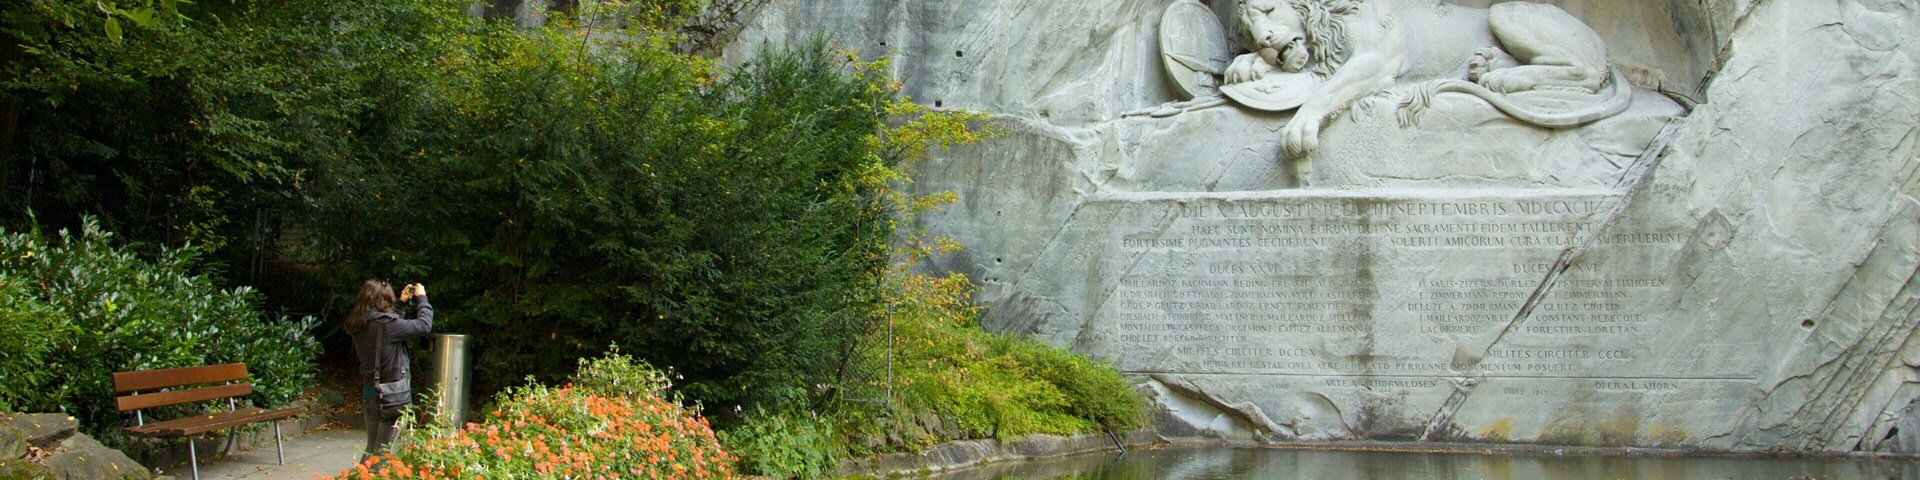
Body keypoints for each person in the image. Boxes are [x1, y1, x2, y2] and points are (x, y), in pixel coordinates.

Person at [345, 279, 433, 461]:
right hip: (391, 396)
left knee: (372, 448)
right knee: (381, 453)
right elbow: (424, 325)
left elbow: (389, 333)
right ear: (386, 299)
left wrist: (401, 304)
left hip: (370, 393)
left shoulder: (361, 324)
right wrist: (422, 299)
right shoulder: (386, 325)